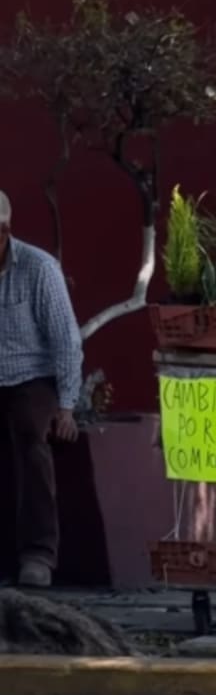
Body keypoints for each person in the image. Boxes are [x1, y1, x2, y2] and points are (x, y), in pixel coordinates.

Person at [0, 190, 82, 588]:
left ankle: (38, 554)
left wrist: (66, 405)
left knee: (30, 436)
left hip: (31, 376)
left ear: (4, 233)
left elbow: (66, 339)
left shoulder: (38, 268)